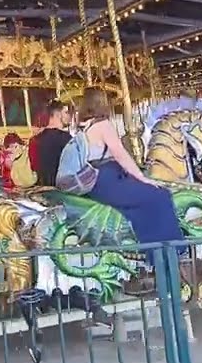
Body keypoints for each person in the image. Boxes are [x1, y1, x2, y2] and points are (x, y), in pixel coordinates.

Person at [77, 88, 182, 295]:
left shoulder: (84, 127)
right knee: (160, 196)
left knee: (146, 200)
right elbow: (121, 155)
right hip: (109, 179)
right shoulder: (103, 125)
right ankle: (165, 254)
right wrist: (143, 178)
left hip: (97, 181)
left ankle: (152, 254)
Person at [30, 100, 73, 187]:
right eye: (66, 112)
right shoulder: (65, 138)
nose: (69, 116)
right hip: (61, 188)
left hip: (41, 188)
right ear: (58, 114)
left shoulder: (36, 139)